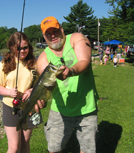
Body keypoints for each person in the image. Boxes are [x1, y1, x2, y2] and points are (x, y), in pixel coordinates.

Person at [37, 16, 99, 153]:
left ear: (62, 30)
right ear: (44, 36)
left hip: (86, 109)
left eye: (55, 31)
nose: (52, 35)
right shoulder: (43, 58)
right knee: (54, 149)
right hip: (59, 111)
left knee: (87, 150)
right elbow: (45, 86)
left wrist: (71, 71)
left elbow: (85, 62)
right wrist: (40, 99)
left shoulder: (76, 38)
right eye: (48, 33)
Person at [0, 32, 43, 153]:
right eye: (19, 48)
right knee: (14, 147)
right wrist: (9, 92)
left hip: (30, 108)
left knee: (25, 143)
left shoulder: (35, 63)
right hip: (11, 107)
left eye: (25, 47)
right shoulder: (4, 64)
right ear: (12, 47)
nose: (23, 51)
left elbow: (40, 84)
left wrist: (31, 90)